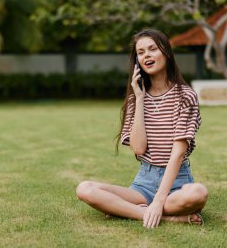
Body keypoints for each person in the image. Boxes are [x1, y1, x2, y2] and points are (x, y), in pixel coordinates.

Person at [76, 29, 208, 229]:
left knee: (198, 193)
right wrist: (139, 99)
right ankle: (166, 217)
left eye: (152, 49)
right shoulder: (134, 98)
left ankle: (126, 210)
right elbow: (138, 149)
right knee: (85, 188)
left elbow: (178, 153)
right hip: (143, 184)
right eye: (141, 52)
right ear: (137, 61)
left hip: (176, 182)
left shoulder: (186, 96)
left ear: (166, 52)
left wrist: (158, 201)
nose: (147, 55)